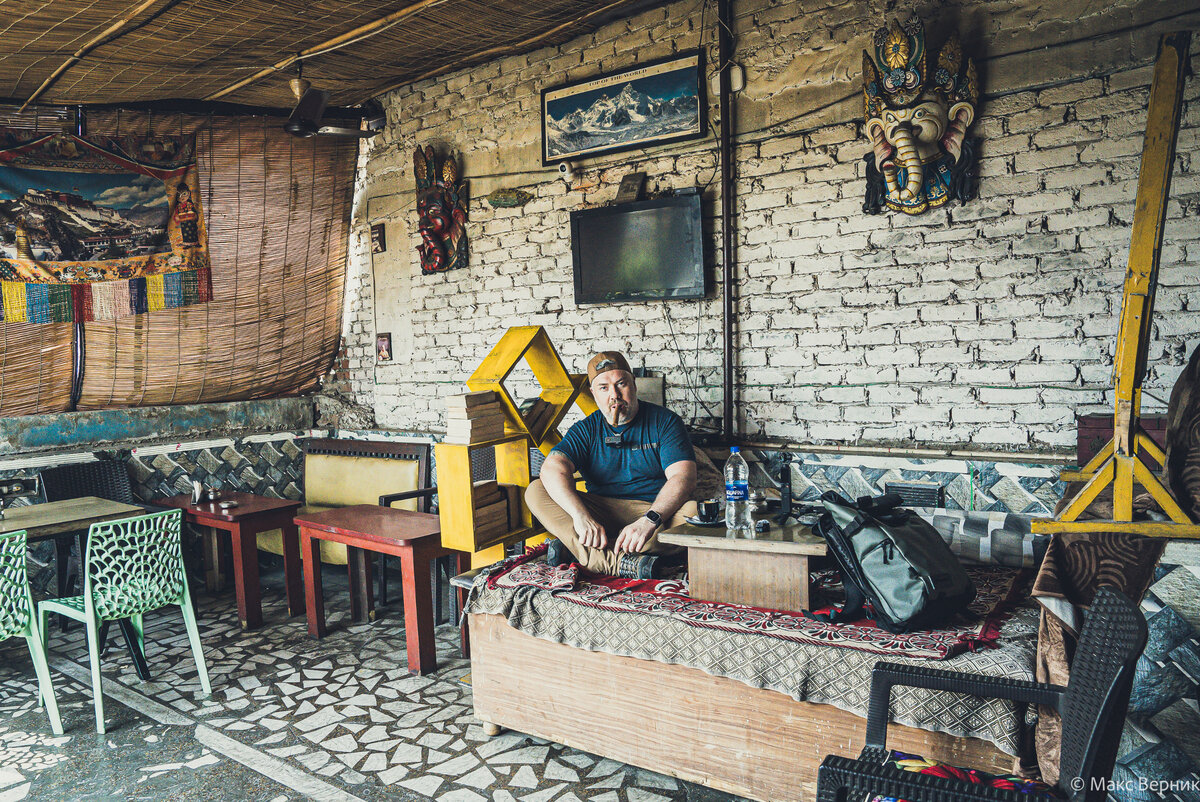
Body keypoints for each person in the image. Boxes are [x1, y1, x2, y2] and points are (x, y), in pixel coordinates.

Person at [525, 351, 698, 579]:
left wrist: (650, 520)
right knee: (536, 491)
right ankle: (616, 562)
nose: (615, 396)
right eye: (604, 388)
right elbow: (552, 468)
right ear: (593, 393)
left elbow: (683, 477)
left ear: (633, 385)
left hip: (653, 511)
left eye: (621, 384)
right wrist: (581, 516)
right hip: (601, 512)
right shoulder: (586, 429)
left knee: (694, 515)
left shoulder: (665, 421)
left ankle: (578, 550)